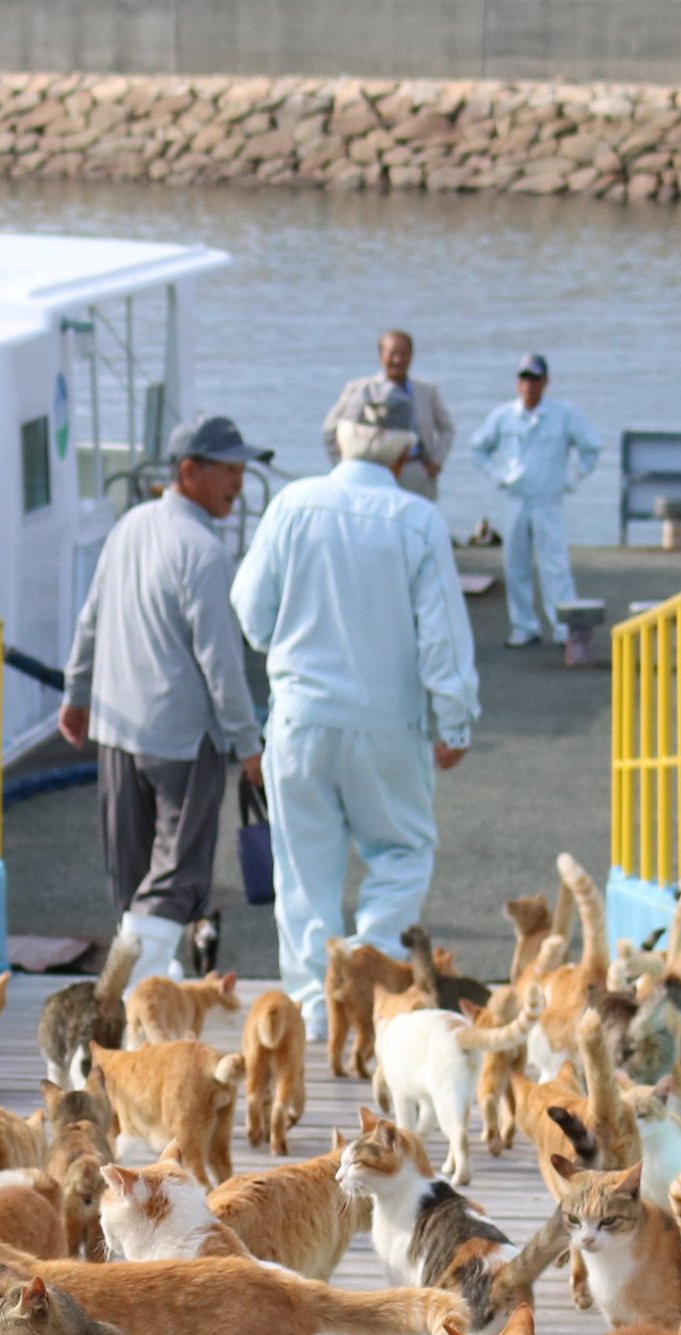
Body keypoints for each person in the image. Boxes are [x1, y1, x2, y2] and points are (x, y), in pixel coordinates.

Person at [234, 377, 479, 1039]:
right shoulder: (419, 521)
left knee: (305, 872)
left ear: (338, 441)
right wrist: (455, 720)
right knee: (400, 853)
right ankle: (371, 984)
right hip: (388, 725)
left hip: (300, 719)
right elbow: (444, 639)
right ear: (405, 457)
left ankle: (317, 1012)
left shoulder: (291, 505)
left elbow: (251, 614)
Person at [60, 413, 268, 979]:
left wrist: (76, 693)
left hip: (116, 728)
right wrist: (249, 745)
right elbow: (221, 662)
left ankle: (143, 988)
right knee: (177, 876)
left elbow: (92, 618)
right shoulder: (205, 550)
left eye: (242, 470)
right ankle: (127, 992)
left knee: (131, 879)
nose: (239, 484)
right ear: (189, 470)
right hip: (181, 737)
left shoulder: (128, 526)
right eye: (229, 469)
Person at [466, 352, 604, 651]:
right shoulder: (504, 416)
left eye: (534, 379)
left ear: (545, 382)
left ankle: (563, 625)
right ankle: (524, 626)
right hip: (515, 499)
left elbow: (592, 447)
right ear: (518, 383)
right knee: (516, 565)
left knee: (555, 564)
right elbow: (478, 449)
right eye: (524, 379)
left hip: (548, 501)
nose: (528, 385)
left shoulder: (563, 414)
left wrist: (573, 478)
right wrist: (498, 475)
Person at [320, 329, 453, 502]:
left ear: (411, 356)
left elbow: (447, 429)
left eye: (403, 354)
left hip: (413, 470)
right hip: (371, 472)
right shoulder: (360, 389)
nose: (397, 360)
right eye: (392, 354)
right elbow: (329, 430)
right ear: (381, 356)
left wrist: (436, 462)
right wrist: (344, 465)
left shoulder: (426, 390)